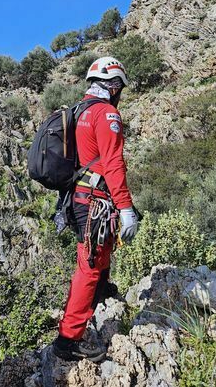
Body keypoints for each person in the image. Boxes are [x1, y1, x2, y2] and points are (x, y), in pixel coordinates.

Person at [52, 56, 139, 363]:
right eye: (120, 87)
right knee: (89, 267)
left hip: (77, 198)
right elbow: (113, 162)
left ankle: (101, 294)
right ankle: (68, 340)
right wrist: (126, 207)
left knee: (98, 258)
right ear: (113, 86)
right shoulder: (106, 114)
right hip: (93, 201)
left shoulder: (78, 111)